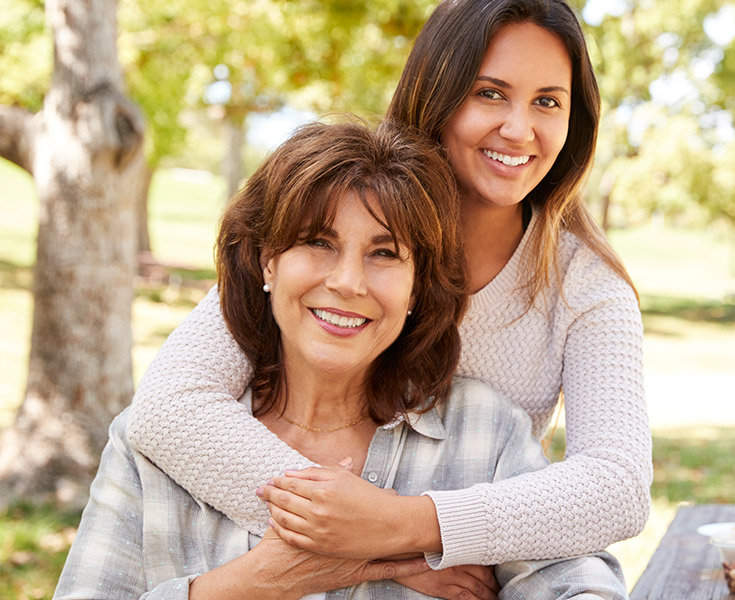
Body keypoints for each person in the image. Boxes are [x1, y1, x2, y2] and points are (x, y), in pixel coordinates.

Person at [126, 0, 651, 584]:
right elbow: (169, 408)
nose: (519, 129)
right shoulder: (338, 216)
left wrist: (409, 525)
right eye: (490, 93)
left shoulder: (585, 286)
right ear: (437, 94)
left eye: (547, 102)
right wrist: (371, 556)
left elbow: (617, 486)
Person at [54, 119, 627, 600]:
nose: (347, 282)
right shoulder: (150, 447)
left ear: (416, 290)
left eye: (384, 254)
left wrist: (405, 527)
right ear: (266, 262)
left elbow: (580, 585)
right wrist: (250, 583)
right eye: (318, 243)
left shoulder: (484, 432)